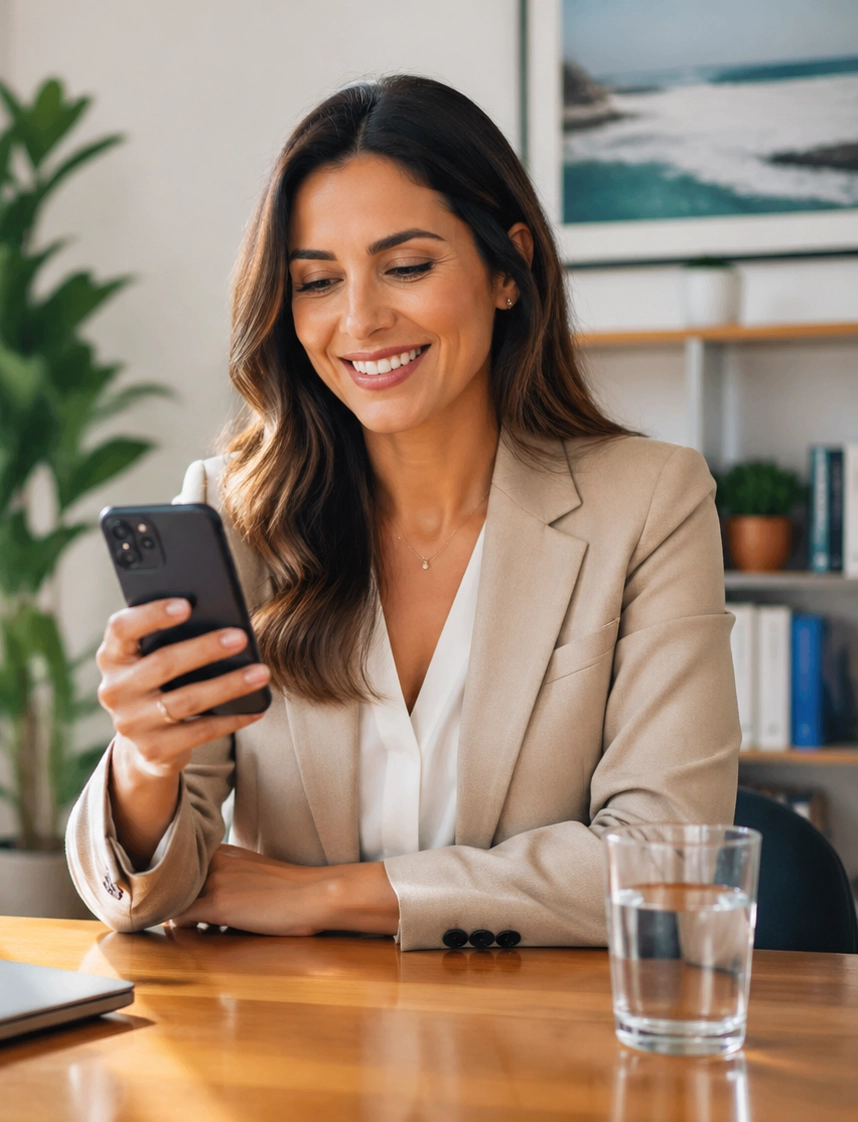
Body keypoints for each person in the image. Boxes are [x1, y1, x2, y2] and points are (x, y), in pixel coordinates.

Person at [66, 75, 740, 949]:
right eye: (315, 282)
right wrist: (146, 757)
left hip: (545, 1053)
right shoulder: (237, 515)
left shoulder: (650, 503)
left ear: (510, 268)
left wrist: (323, 897)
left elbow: (668, 867)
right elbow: (143, 895)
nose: (360, 320)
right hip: (287, 1049)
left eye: (408, 267)